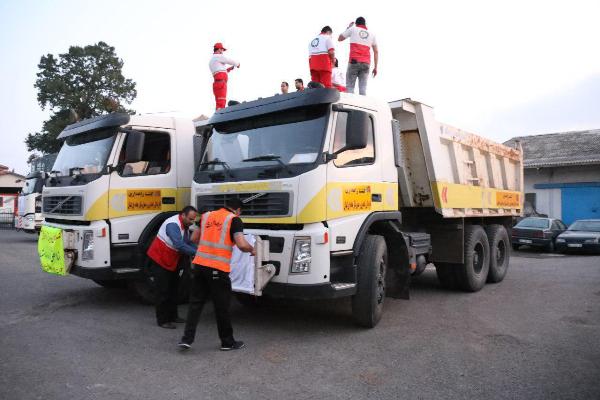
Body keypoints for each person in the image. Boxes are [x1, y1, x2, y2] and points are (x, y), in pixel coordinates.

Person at [178, 197, 255, 351]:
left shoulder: (206, 216)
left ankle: (186, 339)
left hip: (199, 265)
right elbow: (241, 244)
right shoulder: (234, 219)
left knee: (195, 303)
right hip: (218, 268)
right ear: (238, 210)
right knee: (222, 306)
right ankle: (227, 342)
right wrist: (252, 249)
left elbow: (194, 238)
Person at [146, 206, 198, 329]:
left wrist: (199, 250)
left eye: (193, 220)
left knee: (174, 289)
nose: (192, 222)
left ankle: (173, 316)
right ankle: (163, 320)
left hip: (172, 260)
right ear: (183, 215)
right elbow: (179, 244)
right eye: (190, 219)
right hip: (160, 259)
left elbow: (187, 242)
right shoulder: (172, 224)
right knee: (163, 290)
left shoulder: (184, 224)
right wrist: (196, 253)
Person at [338, 17, 378, 95]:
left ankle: (350, 105)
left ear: (356, 24)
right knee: (363, 89)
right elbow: (376, 51)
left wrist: (348, 28)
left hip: (354, 62)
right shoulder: (372, 35)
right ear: (365, 24)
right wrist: (375, 67)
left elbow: (340, 38)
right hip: (366, 63)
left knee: (350, 87)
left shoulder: (353, 29)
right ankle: (362, 105)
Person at [208, 42, 240, 110]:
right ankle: (221, 118)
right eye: (222, 50)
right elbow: (229, 60)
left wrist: (228, 69)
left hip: (217, 83)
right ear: (219, 49)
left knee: (218, 103)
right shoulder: (218, 56)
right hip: (221, 83)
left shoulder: (212, 60)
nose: (222, 51)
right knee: (221, 103)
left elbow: (218, 71)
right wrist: (237, 64)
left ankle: (218, 117)